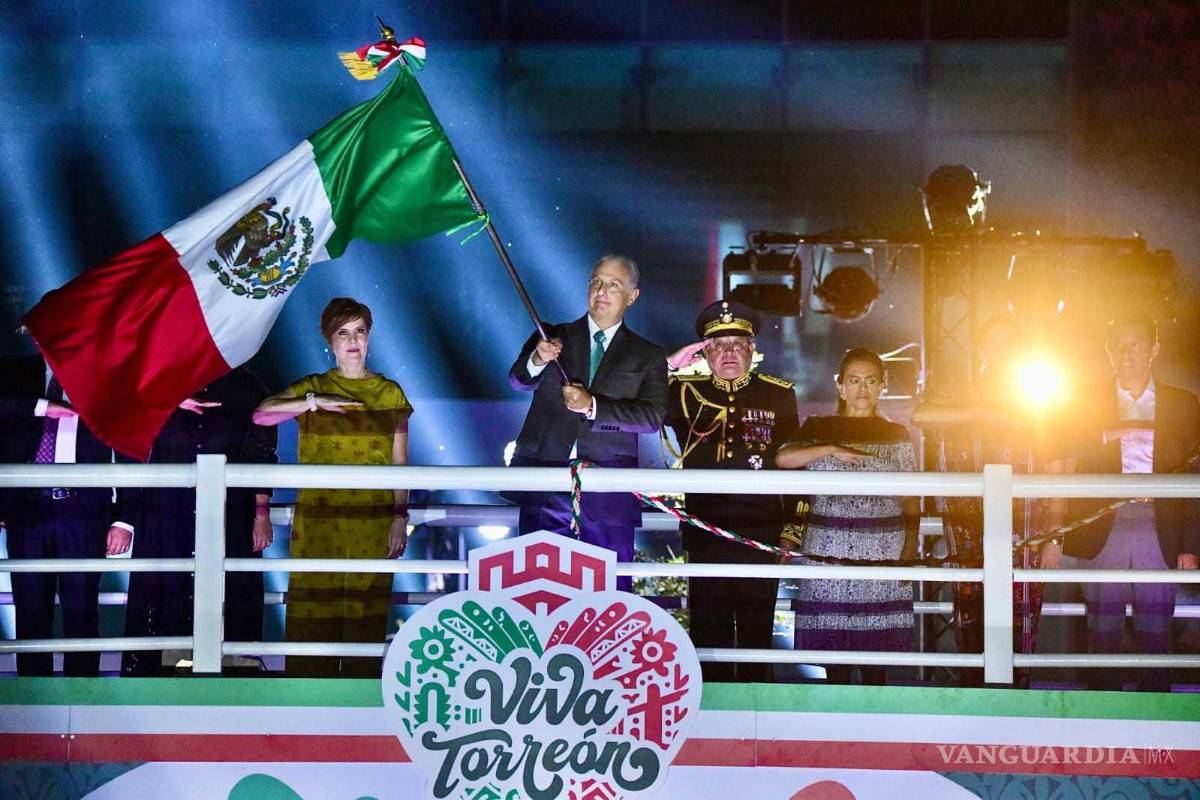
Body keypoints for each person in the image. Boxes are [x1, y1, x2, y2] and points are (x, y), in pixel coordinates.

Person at [254, 298, 411, 678]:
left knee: (365, 615)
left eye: (359, 331)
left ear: (369, 337)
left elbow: (400, 463)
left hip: (372, 521)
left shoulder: (390, 393)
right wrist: (313, 402)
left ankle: (358, 702)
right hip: (319, 520)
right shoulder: (314, 386)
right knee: (312, 613)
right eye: (343, 332)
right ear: (329, 340)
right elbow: (261, 415)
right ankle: (308, 701)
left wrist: (399, 517)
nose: (353, 340)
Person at [912, 314, 1065, 688]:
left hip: (1026, 532)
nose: (1001, 350)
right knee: (970, 617)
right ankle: (974, 701)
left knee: (1021, 618)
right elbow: (922, 416)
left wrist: (1055, 534)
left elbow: (1057, 467)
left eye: (1009, 342)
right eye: (994, 341)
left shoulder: (1038, 397)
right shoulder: (959, 392)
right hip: (967, 533)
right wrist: (979, 413)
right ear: (981, 348)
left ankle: (1016, 701)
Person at [1049, 313, 1199, 692]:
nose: (1126, 352)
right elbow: (1057, 450)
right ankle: (1102, 708)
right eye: (1118, 345)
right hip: (1104, 518)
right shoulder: (1084, 399)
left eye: (1135, 344)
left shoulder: (1183, 404)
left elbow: (1195, 477)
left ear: (1154, 349)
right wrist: (1104, 434)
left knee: (1157, 623)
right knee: (1101, 622)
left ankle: (1156, 707)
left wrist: (1191, 544)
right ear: (1107, 349)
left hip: (1160, 519)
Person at [507, 254, 667, 590]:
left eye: (614, 285)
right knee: (537, 593)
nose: (602, 291)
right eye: (596, 282)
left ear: (632, 296)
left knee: (607, 597)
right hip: (545, 485)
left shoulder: (648, 355)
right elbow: (519, 380)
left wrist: (593, 406)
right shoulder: (552, 336)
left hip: (608, 494)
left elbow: (651, 417)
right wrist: (538, 358)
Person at [663, 300, 800, 682]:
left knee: (757, 634)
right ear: (704, 352)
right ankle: (714, 712)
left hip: (760, 531)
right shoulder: (684, 392)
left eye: (737, 345)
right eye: (719, 345)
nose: (728, 353)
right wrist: (671, 365)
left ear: (752, 349)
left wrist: (792, 530)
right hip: (706, 530)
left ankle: (760, 711)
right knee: (709, 635)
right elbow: (635, 393)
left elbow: (796, 466)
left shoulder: (778, 395)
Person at [121, 367, 277, 676]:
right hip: (167, 510)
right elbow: (124, 419)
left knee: (231, 590)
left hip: (230, 511)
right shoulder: (158, 380)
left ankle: (232, 677)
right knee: (167, 590)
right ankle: (163, 675)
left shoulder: (247, 386)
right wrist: (168, 401)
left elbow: (260, 451)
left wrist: (261, 512)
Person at [776, 348, 918, 685]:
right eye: (854, 381)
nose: (862, 389)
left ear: (882, 386)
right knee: (833, 659)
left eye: (870, 381)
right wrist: (831, 448)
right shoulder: (818, 427)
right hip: (828, 549)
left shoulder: (897, 433)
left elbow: (912, 497)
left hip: (883, 550)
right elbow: (784, 459)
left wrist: (909, 549)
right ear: (840, 386)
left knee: (877, 662)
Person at [0, 352, 140, 676]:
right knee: (30, 612)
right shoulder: (15, 371)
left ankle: (82, 691)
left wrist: (124, 520)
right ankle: (33, 693)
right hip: (25, 508)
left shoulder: (106, 376)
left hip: (84, 510)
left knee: (82, 610)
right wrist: (42, 407)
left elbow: (130, 447)